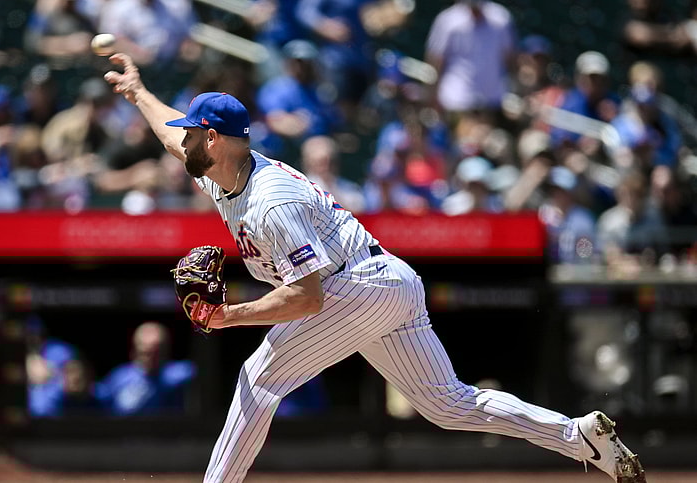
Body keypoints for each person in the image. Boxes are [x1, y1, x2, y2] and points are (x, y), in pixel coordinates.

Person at [103, 53, 647, 483]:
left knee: (258, 377)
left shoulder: (271, 201)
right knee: (447, 404)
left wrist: (229, 316)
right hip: (388, 282)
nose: (186, 139)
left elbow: (308, 299)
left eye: (195, 133)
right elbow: (174, 140)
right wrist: (138, 92)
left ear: (215, 139)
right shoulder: (219, 167)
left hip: (355, 285)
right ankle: (577, 436)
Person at [95, 321, 195, 416]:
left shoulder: (182, 374)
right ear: (133, 351)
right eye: (146, 353)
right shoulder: (119, 378)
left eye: (158, 352)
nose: (151, 358)